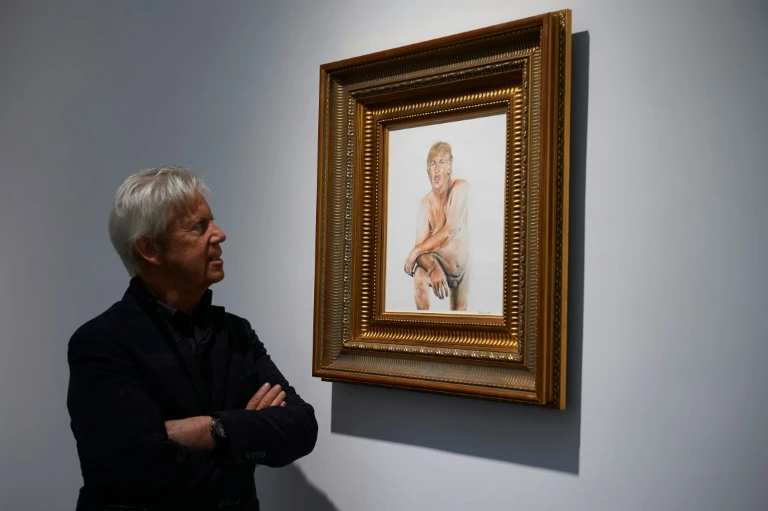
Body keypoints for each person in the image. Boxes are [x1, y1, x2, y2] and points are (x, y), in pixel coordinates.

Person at [66, 166, 317, 511]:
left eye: (212, 221)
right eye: (199, 227)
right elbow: (135, 468)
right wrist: (245, 446)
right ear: (150, 248)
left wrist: (212, 428)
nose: (220, 234)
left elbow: (301, 427)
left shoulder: (236, 332)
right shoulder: (101, 342)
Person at [403, 141, 470, 311]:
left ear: (449, 168)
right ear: (428, 171)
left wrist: (415, 251)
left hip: (463, 271)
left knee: (461, 320)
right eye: (433, 164)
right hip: (440, 266)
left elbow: (450, 230)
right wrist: (432, 268)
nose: (437, 169)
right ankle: (422, 325)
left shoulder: (460, 188)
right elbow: (420, 253)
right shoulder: (425, 205)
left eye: (442, 162)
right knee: (419, 274)